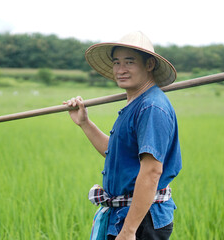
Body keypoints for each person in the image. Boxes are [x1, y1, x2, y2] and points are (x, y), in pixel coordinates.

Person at [64, 32, 182, 240]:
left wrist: (128, 231)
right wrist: (84, 123)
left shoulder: (151, 107)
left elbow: (152, 171)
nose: (121, 69)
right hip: (124, 216)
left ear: (149, 65)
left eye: (129, 62)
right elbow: (117, 155)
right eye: (116, 62)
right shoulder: (138, 103)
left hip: (142, 221)